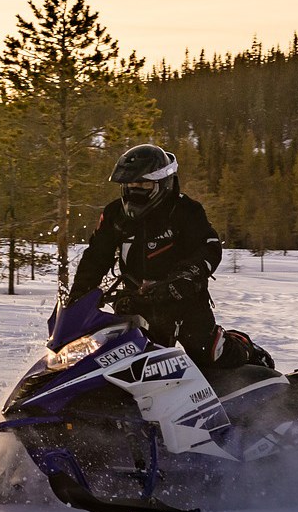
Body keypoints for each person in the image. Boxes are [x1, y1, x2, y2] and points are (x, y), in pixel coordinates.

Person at [70, 144, 271, 370]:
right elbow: (97, 255)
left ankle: (247, 349)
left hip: (183, 298)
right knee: (124, 360)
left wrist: (186, 276)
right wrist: (78, 296)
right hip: (135, 301)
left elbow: (210, 247)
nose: (136, 190)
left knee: (208, 354)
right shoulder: (114, 214)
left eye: (144, 184)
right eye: (130, 185)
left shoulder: (186, 210)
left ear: (162, 183)